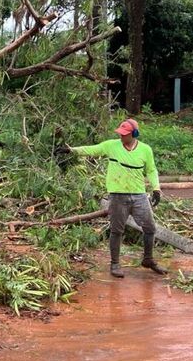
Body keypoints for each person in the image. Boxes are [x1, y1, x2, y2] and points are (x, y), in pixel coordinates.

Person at [66, 118, 166, 279]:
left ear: (134, 134)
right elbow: (92, 150)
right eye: (120, 133)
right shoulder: (112, 146)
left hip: (139, 195)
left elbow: (151, 170)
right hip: (117, 195)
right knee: (117, 230)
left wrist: (156, 188)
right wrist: (71, 150)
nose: (122, 136)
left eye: (125, 134)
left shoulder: (145, 150)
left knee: (150, 228)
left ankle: (148, 259)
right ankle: (115, 264)